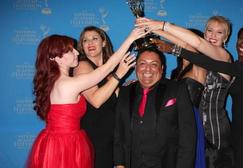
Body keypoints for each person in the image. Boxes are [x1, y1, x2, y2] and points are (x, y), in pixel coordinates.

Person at [27, 28, 146, 168]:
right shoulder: (67, 84)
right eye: (71, 50)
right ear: (57, 57)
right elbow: (108, 67)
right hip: (65, 146)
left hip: (60, 142)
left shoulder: (57, 81)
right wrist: (130, 38)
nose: (77, 52)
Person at [164, 23, 243, 168]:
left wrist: (174, 49)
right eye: (241, 38)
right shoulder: (239, 64)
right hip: (239, 126)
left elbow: (213, 64)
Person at [137, 16, 234, 168]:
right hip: (194, 127)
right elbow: (185, 44)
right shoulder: (203, 59)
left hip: (215, 135)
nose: (213, 36)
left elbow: (193, 44)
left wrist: (161, 26)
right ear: (205, 32)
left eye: (219, 32)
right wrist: (153, 29)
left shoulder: (224, 56)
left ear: (226, 37)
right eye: (209, 30)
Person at [114, 47, 196, 168]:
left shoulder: (177, 89)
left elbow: (188, 136)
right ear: (135, 67)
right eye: (142, 63)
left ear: (162, 69)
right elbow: (119, 131)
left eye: (154, 64)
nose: (147, 69)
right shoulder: (125, 92)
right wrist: (119, 163)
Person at [73, 26, 135, 168]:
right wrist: (119, 74)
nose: (90, 43)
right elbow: (96, 101)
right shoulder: (82, 66)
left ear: (104, 42)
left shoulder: (108, 71)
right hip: (94, 137)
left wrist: (127, 88)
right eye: (85, 40)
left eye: (94, 38)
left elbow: (114, 99)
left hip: (111, 136)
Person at [153, 28, 206, 168]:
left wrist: (160, 29)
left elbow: (189, 47)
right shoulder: (175, 72)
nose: (183, 43)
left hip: (191, 121)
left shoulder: (199, 67)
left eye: (187, 40)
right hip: (174, 121)